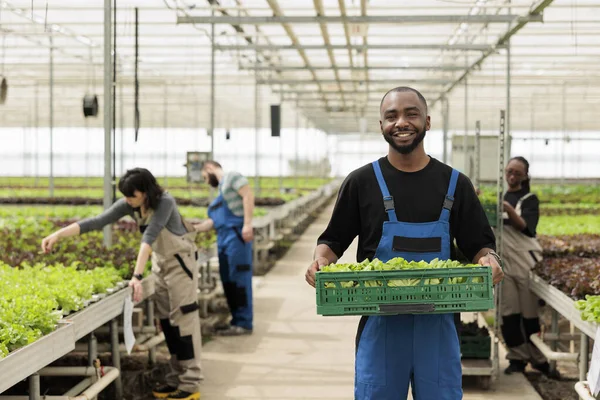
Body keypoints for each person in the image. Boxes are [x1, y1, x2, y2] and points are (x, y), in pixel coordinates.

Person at [305, 86, 504, 400]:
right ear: (381, 125)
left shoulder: (455, 183)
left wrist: (489, 258)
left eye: (411, 114)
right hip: (381, 323)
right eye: (391, 116)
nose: (401, 122)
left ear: (427, 121)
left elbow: (479, 244)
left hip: (439, 323)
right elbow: (332, 241)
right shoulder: (361, 182)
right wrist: (320, 261)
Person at [41, 168, 202, 400]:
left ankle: (191, 383)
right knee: (168, 321)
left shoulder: (165, 202)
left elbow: (150, 237)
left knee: (183, 322)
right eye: (126, 197)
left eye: (132, 196)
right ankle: (175, 378)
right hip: (161, 264)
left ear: (146, 192)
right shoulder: (131, 204)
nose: (128, 201)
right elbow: (98, 221)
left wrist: (136, 276)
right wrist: (58, 235)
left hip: (180, 265)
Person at [500, 156, 559, 379]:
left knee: (530, 315)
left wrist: (508, 209)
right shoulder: (501, 196)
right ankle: (517, 357)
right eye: (509, 172)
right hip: (505, 263)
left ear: (525, 176)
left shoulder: (528, 199)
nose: (512, 176)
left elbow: (527, 228)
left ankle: (539, 360)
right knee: (509, 313)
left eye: (517, 173)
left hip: (526, 264)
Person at [193, 160, 254, 336]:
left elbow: (248, 195)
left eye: (205, 177)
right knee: (228, 281)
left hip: (236, 238)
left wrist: (248, 224)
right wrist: (193, 228)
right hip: (224, 239)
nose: (206, 181)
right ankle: (236, 320)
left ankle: (244, 323)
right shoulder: (222, 189)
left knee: (239, 280)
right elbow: (215, 221)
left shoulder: (232, 177)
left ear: (209, 168)